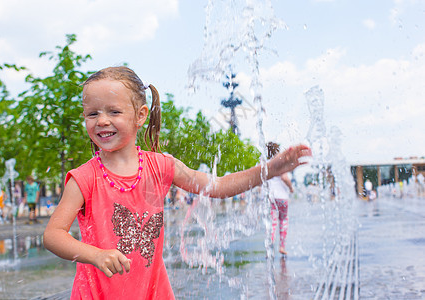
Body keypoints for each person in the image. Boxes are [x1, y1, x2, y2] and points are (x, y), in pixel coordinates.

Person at [43, 66, 312, 299]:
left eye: (114, 111)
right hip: (98, 294)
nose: (102, 120)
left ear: (140, 115)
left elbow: (216, 186)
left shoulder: (161, 166)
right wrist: (95, 255)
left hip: (153, 292)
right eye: (92, 114)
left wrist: (269, 169)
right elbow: (53, 235)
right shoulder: (84, 177)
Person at [266, 142, 294, 256]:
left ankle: (269, 248)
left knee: (272, 222)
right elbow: (284, 177)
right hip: (282, 197)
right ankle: (282, 247)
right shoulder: (281, 163)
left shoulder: (266, 163)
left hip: (271, 197)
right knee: (283, 220)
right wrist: (291, 188)